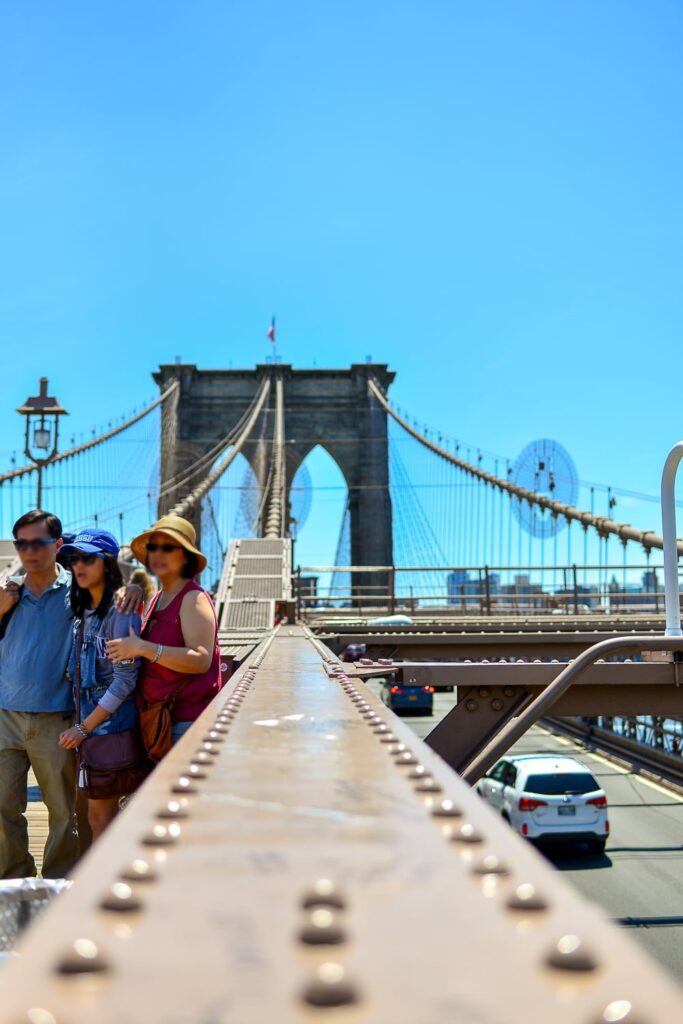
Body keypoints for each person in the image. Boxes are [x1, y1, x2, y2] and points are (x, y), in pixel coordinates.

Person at [0, 510, 142, 879]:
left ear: (56, 545)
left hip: (57, 717)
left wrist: (133, 587)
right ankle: (14, 886)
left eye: (38, 543)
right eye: (22, 543)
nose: (29, 551)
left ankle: (57, 886)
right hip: (5, 717)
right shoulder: (6, 592)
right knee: (3, 809)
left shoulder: (79, 595)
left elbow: (112, 602)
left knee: (63, 813)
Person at [57, 530, 148, 840]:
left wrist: (84, 728)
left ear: (107, 564)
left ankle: (104, 885)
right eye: (72, 559)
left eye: (87, 558)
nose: (77, 565)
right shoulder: (83, 611)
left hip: (109, 728)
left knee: (101, 821)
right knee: (96, 819)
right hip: (90, 728)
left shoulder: (120, 614)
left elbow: (125, 681)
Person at [106, 514, 221, 747]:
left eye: (168, 548)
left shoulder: (193, 598)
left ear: (186, 557)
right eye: (153, 547)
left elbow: (200, 660)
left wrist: (142, 648)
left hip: (186, 724)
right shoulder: (158, 598)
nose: (158, 554)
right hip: (158, 719)